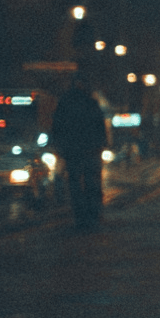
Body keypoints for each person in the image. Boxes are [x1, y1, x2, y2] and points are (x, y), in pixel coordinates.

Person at [50, 75, 109, 230]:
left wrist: (60, 146)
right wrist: (102, 144)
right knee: (93, 184)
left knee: (75, 185)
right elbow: (99, 126)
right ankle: (93, 216)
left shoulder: (65, 102)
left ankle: (80, 218)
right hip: (90, 149)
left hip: (73, 150)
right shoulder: (91, 102)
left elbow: (57, 126)